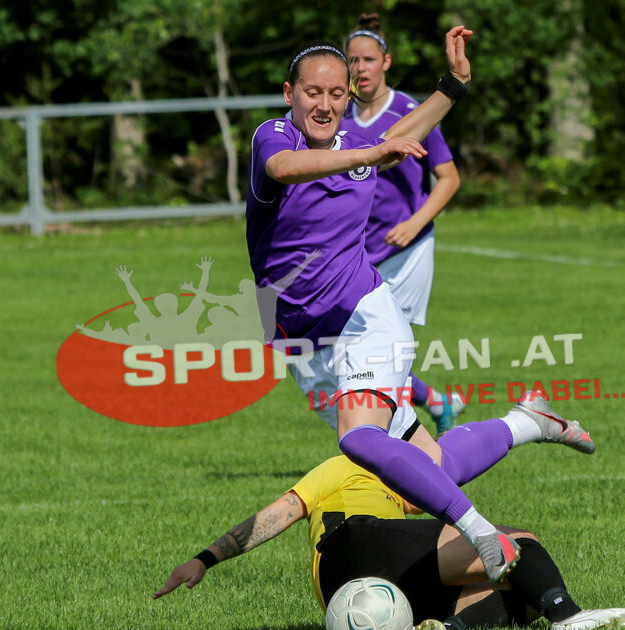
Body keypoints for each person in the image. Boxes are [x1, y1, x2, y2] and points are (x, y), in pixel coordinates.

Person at [245, 27, 597, 583]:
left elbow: (400, 134)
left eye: (338, 94)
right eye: (314, 92)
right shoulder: (273, 136)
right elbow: (285, 169)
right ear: (289, 93)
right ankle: (526, 423)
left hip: (366, 315)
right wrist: (373, 151)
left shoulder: (358, 148)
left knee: (359, 438)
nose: (326, 103)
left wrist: (451, 86)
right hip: (295, 326)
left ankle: (481, 532)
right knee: (428, 466)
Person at [153, 392, 625, 630]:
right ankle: (569, 617)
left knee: (518, 590)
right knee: (517, 543)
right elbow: (280, 513)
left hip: (343, 590)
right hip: (353, 545)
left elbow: (446, 465)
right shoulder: (345, 462)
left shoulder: (403, 479)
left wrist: (204, 560)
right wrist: (205, 558)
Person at [337, 13, 465, 437]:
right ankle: (436, 406)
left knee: (385, 351)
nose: (360, 69)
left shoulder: (412, 111)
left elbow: (449, 179)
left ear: (386, 62)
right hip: (361, 252)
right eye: (352, 60)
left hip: (407, 250)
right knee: (356, 347)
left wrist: (414, 223)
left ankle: (398, 450)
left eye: (368, 59)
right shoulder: (337, 119)